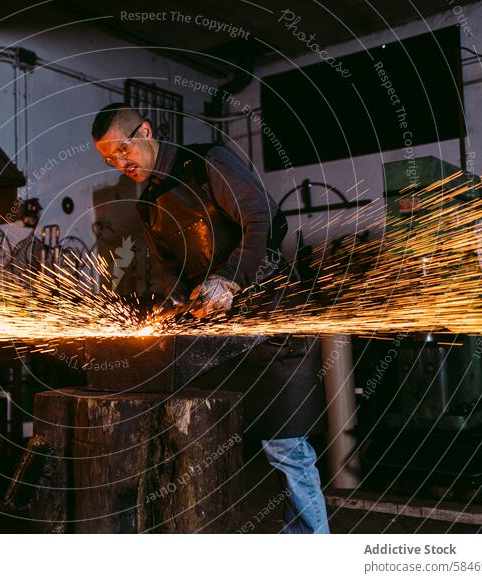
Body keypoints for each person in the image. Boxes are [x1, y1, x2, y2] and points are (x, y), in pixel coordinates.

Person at [91, 103, 330, 534]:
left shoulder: (207, 163)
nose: (120, 163)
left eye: (123, 150)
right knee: (207, 433)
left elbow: (263, 220)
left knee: (285, 447)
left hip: (270, 320)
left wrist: (229, 279)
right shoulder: (148, 206)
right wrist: (177, 303)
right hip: (219, 333)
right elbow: (170, 271)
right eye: (109, 160)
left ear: (145, 131)